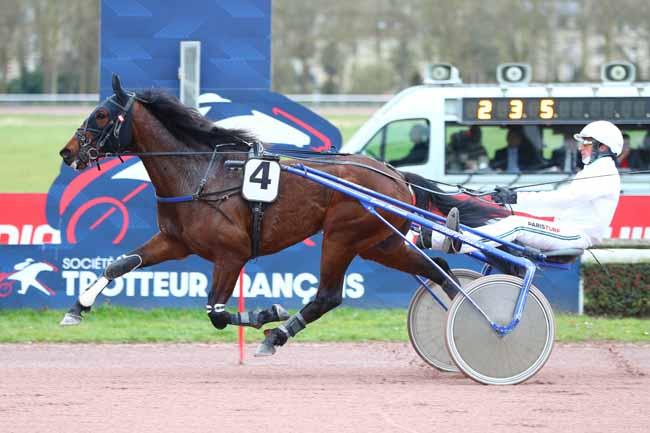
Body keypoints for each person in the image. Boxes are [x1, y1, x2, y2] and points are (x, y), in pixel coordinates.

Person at [421, 120, 623, 254]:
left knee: (517, 225)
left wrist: (515, 198)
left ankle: (456, 242)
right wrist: (510, 202)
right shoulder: (594, 169)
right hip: (566, 231)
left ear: (603, 147)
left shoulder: (602, 173)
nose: (580, 147)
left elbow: (562, 200)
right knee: (504, 219)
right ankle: (437, 237)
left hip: (575, 236)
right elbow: (557, 203)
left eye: (586, 143)